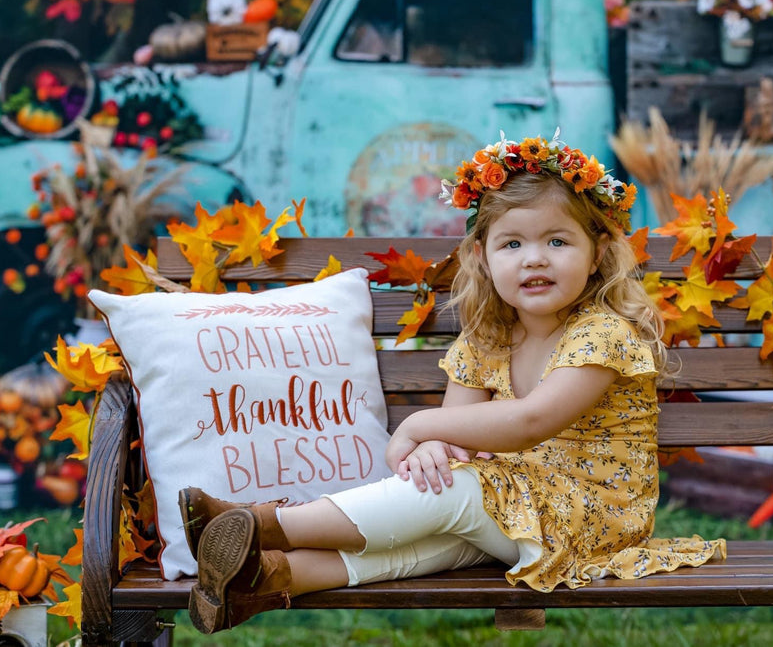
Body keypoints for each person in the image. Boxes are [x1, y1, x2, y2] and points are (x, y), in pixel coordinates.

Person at [179, 132, 727, 634]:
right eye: (511, 244)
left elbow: (529, 421)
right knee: (435, 522)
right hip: (513, 513)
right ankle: (262, 580)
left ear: (597, 253)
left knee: (457, 495)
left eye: (557, 241)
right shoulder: (488, 339)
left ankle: (258, 523)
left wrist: (418, 427)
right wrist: (430, 450)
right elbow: (455, 439)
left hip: (593, 517)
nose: (534, 258)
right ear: (483, 258)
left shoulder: (604, 334)